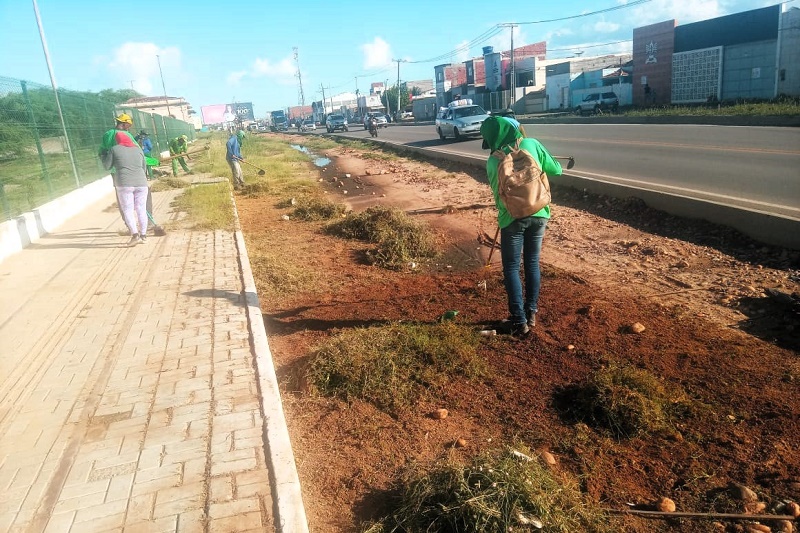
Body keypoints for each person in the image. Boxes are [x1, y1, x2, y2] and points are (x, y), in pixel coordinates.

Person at [479, 115, 563, 337]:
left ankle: (518, 321)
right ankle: (531, 312)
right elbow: (556, 170)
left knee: (511, 268)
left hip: (512, 219)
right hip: (540, 213)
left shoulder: (493, 161)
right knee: (532, 262)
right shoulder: (531, 144)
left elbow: (499, 199)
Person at [102, 130, 149, 246]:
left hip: (124, 184)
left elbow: (107, 166)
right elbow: (144, 167)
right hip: (142, 183)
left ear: (118, 140)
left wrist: (103, 155)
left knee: (128, 209)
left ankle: (135, 235)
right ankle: (143, 235)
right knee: (141, 209)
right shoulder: (138, 150)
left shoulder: (115, 149)